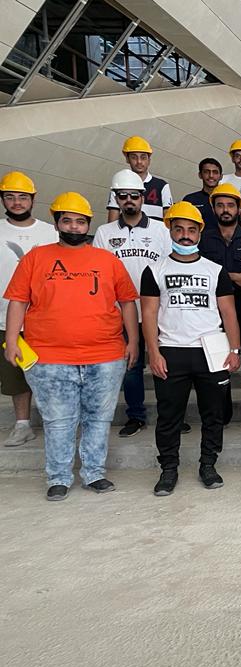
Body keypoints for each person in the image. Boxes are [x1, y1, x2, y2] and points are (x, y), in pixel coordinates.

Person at [4, 192, 138, 501]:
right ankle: (59, 477)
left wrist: (132, 341)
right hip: (49, 357)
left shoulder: (107, 260)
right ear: (56, 223)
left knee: (98, 419)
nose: (74, 227)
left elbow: (128, 302)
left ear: (88, 225)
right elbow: (18, 301)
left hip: (105, 355)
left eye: (80, 221)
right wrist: (11, 340)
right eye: (67, 221)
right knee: (58, 421)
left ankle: (94, 473)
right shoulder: (35, 258)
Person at [140, 201, 241, 496]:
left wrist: (235, 351)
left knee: (213, 414)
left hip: (211, 351)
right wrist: (153, 352)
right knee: (169, 416)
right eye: (179, 229)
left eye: (191, 230)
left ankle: (208, 464)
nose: (185, 235)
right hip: (171, 351)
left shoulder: (215, 270)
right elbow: (148, 314)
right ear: (170, 231)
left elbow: (229, 313)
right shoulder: (154, 270)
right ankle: (168, 469)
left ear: (199, 233)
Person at [93, 168, 173, 438]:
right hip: (121, 313)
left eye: (134, 196)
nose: (129, 200)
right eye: (123, 195)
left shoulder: (161, 230)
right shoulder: (104, 233)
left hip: (157, 311)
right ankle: (136, 416)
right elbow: (100, 274)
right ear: (116, 198)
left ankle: (169, 415)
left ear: (143, 197)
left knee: (165, 364)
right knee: (131, 366)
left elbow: (169, 269)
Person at [197, 183, 241, 430]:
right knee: (219, 363)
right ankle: (221, 415)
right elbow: (201, 273)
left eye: (230, 205)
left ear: (238, 208)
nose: (225, 210)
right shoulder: (204, 239)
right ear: (213, 208)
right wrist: (235, 276)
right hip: (213, 312)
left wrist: (223, 276)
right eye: (220, 205)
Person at [0, 171, 57, 447]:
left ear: (33, 200)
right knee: (15, 376)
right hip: (5, 317)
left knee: (52, 375)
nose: (17, 202)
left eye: (22, 197)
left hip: (46, 318)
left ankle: (57, 422)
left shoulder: (49, 232)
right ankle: (22, 425)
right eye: (10, 197)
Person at [105, 136, 173, 223]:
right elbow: (112, 223)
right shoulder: (118, 185)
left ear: (149, 160)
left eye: (143, 157)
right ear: (127, 159)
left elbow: (169, 222)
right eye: (134, 157)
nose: (139, 161)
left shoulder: (162, 186)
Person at [183, 158, 223, 230]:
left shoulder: (228, 200)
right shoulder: (190, 200)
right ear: (200, 175)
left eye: (215, 172)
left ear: (221, 176)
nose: (211, 175)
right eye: (206, 172)